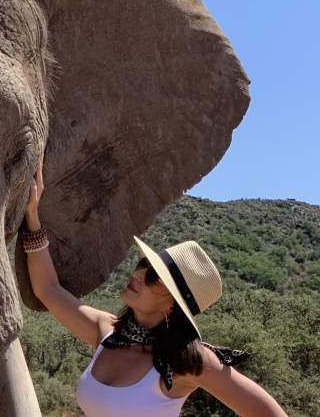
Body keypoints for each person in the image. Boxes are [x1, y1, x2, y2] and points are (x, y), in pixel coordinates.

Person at [24, 158, 288, 417]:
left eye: (153, 277)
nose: (138, 274)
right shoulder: (107, 332)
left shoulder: (189, 361)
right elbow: (48, 289)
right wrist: (33, 217)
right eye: (143, 264)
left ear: (172, 307)